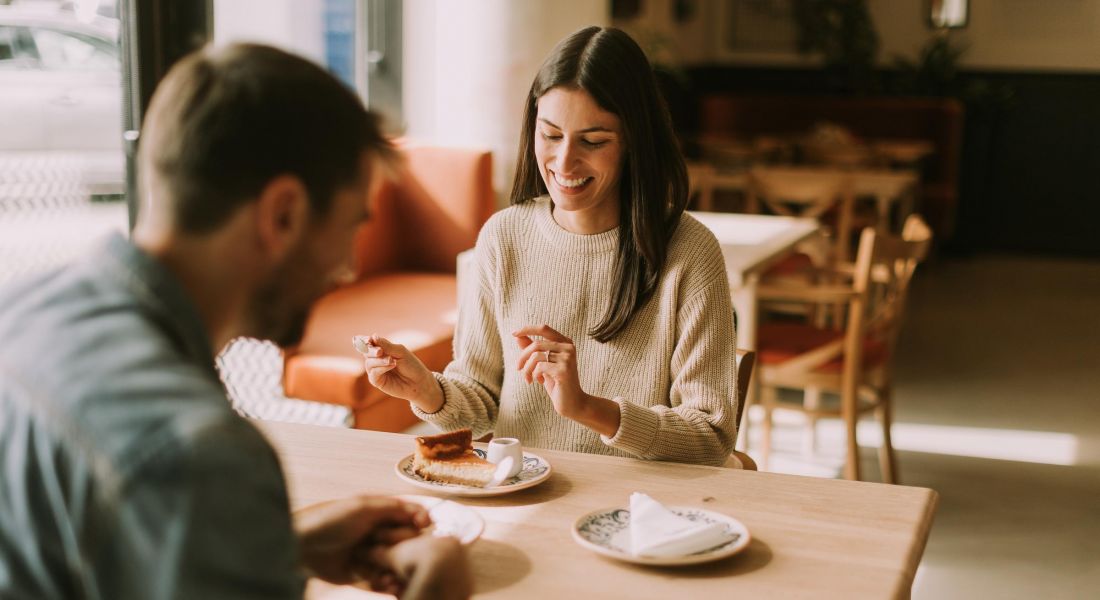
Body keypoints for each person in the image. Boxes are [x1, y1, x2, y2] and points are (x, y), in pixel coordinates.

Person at [0, 44, 471, 599]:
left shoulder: (18, 310)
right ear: (284, 215)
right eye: (351, 228)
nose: (346, 268)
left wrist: (278, 545)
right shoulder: (201, 453)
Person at [362, 26, 738, 466]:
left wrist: (587, 408)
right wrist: (427, 390)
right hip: (524, 497)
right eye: (551, 135)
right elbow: (482, 403)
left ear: (635, 142)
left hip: (638, 513)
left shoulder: (690, 253)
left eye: (593, 141)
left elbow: (711, 437)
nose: (563, 162)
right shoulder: (503, 238)